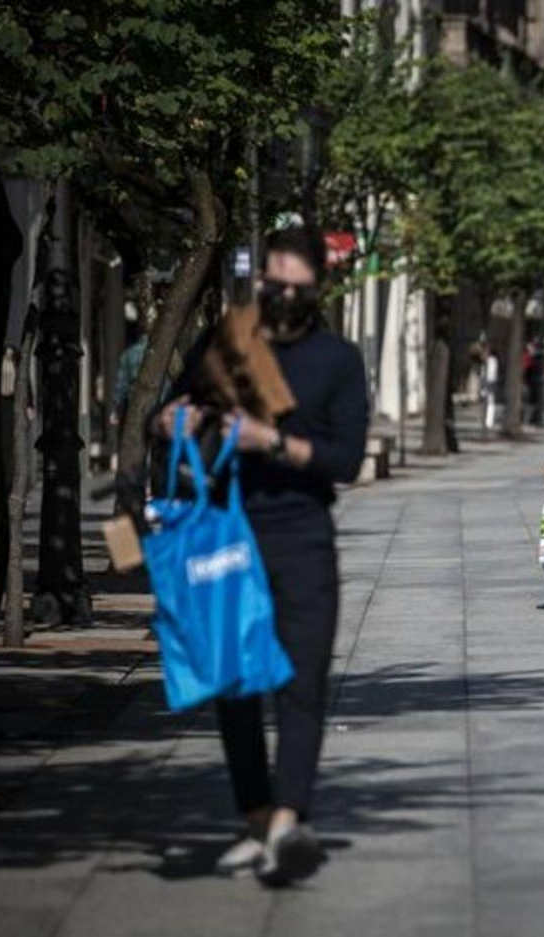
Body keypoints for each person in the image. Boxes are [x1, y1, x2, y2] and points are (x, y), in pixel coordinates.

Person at [154, 227, 369, 886]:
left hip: (302, 537)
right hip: (226, 535)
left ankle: (286, 822)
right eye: (275, 283)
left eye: (298, 287)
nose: (284, 296)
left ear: (318, 288)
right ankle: (256, 818)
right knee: (235, 685)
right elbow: (167, 415)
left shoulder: (338, 360)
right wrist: (174, 421)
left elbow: (345, 459)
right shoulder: (228, 343)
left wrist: (271, 440)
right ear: (261, 280)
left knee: (302, 683)